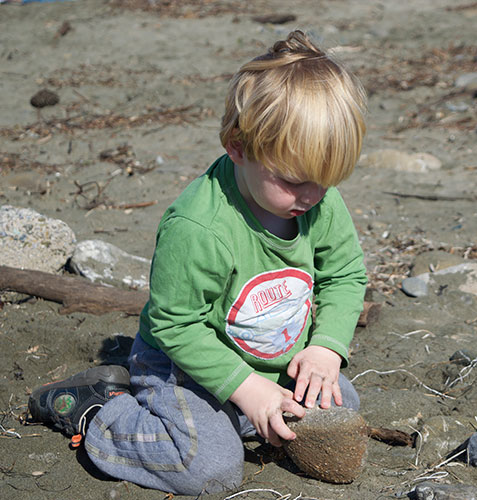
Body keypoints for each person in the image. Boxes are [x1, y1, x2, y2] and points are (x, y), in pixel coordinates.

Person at [27, 30, 368, 495]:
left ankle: (238, 418)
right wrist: (247, 389)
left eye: (325, 183)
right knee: (210, 468)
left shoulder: (316, 199)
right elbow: (175, 326)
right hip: (183, 367)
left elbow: (345, 274)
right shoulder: (199, 227)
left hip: (269, 360)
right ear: (238, 147)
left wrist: (326, 347)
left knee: (340, 400)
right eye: (294, 181)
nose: (311, 197)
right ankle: (99, 410)